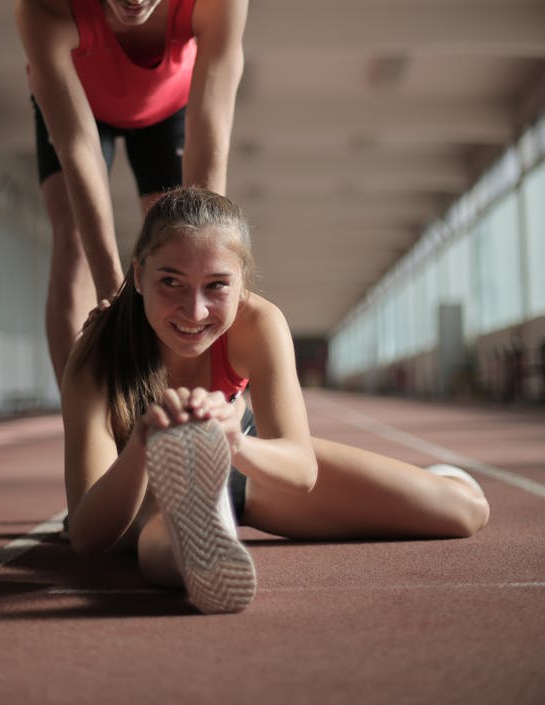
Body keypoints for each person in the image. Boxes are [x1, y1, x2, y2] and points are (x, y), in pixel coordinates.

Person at [61, 187, 490, 615]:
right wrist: (142, 440)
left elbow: (300, 469)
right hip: (144, 486)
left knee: (466, 511)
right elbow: (87, 534)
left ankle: (436, 479)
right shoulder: (98, 354)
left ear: (241, 283)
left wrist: (235, 442)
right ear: (138, 275)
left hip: (246, 458)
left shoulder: (258, 323)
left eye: (216, 286)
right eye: (170, 281)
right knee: (162, 542)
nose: (194, 311)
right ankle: (202, 543)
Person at [15, 0, 248, 388]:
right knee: (72, 242)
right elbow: (78, 150)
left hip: (166, 111)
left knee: (174, 240)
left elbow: (211, 135)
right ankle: (84, 407)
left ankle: (181, 388)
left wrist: (205, 262)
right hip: (81, 110)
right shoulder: (43, 1)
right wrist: (113, 299)